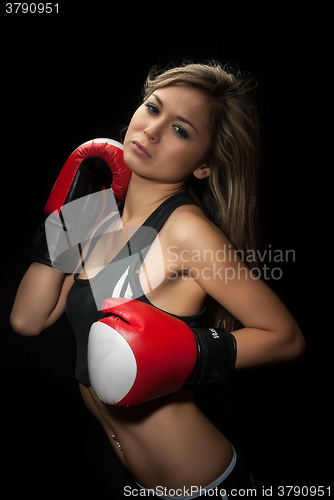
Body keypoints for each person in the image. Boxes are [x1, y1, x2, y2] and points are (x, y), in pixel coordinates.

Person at [10, 61, 305, 498]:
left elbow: (286, 338)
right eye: (152, 108)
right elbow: (28, 319)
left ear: (204, 166)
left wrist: (194, 353)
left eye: (181, 130)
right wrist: (66, 220)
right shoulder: (97, 216)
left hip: (205, 484)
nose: (151, 130)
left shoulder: (187, 231)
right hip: (139, 484)